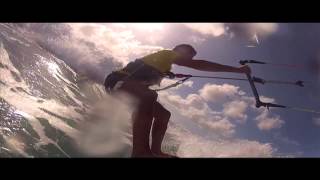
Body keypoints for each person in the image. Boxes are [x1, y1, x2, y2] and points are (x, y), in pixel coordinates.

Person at [104, 44, 251, 158]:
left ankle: (155, 151)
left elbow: (154, 70)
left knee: (164, 115)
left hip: (129, 87)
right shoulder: (168, 53)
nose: (190, 60)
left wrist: (169, 73)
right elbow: (199, 64)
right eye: (189, 56)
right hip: (117, 81)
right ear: (180, 50)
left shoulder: (164, 63)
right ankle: (140, 152)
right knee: (149, 96)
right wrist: (238, 70)